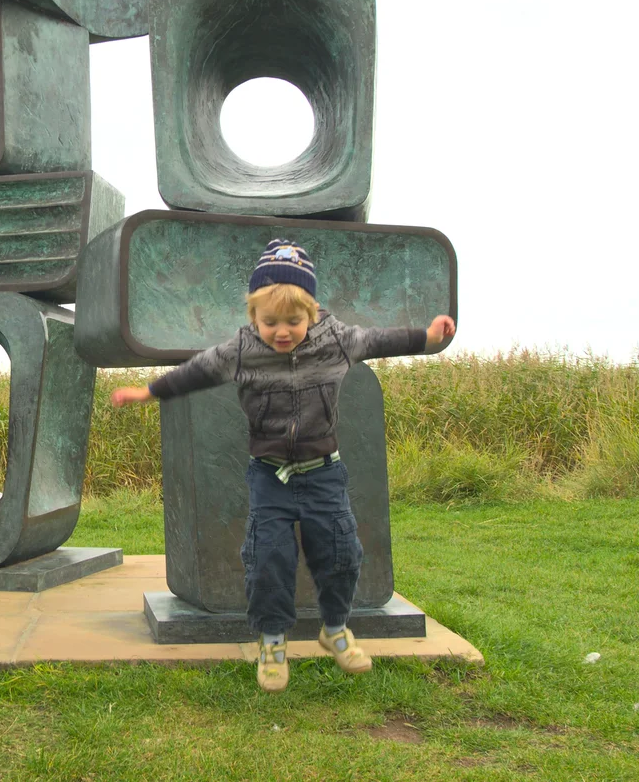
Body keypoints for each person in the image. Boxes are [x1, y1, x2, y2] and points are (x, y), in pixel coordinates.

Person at [111, 239, 455, 692]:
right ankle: (272, 642)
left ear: (311, 312)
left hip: (324, 474)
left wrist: (427, 337)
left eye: (293, 321)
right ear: (254, 316)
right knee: (269, 559)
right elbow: (194, 371)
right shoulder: (240, 350)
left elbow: (381, 339)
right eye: (269, 321)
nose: (281, 331)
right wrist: (149, 392)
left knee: (340, 554)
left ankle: (334, 629)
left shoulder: (338, 340)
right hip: (269, 476)